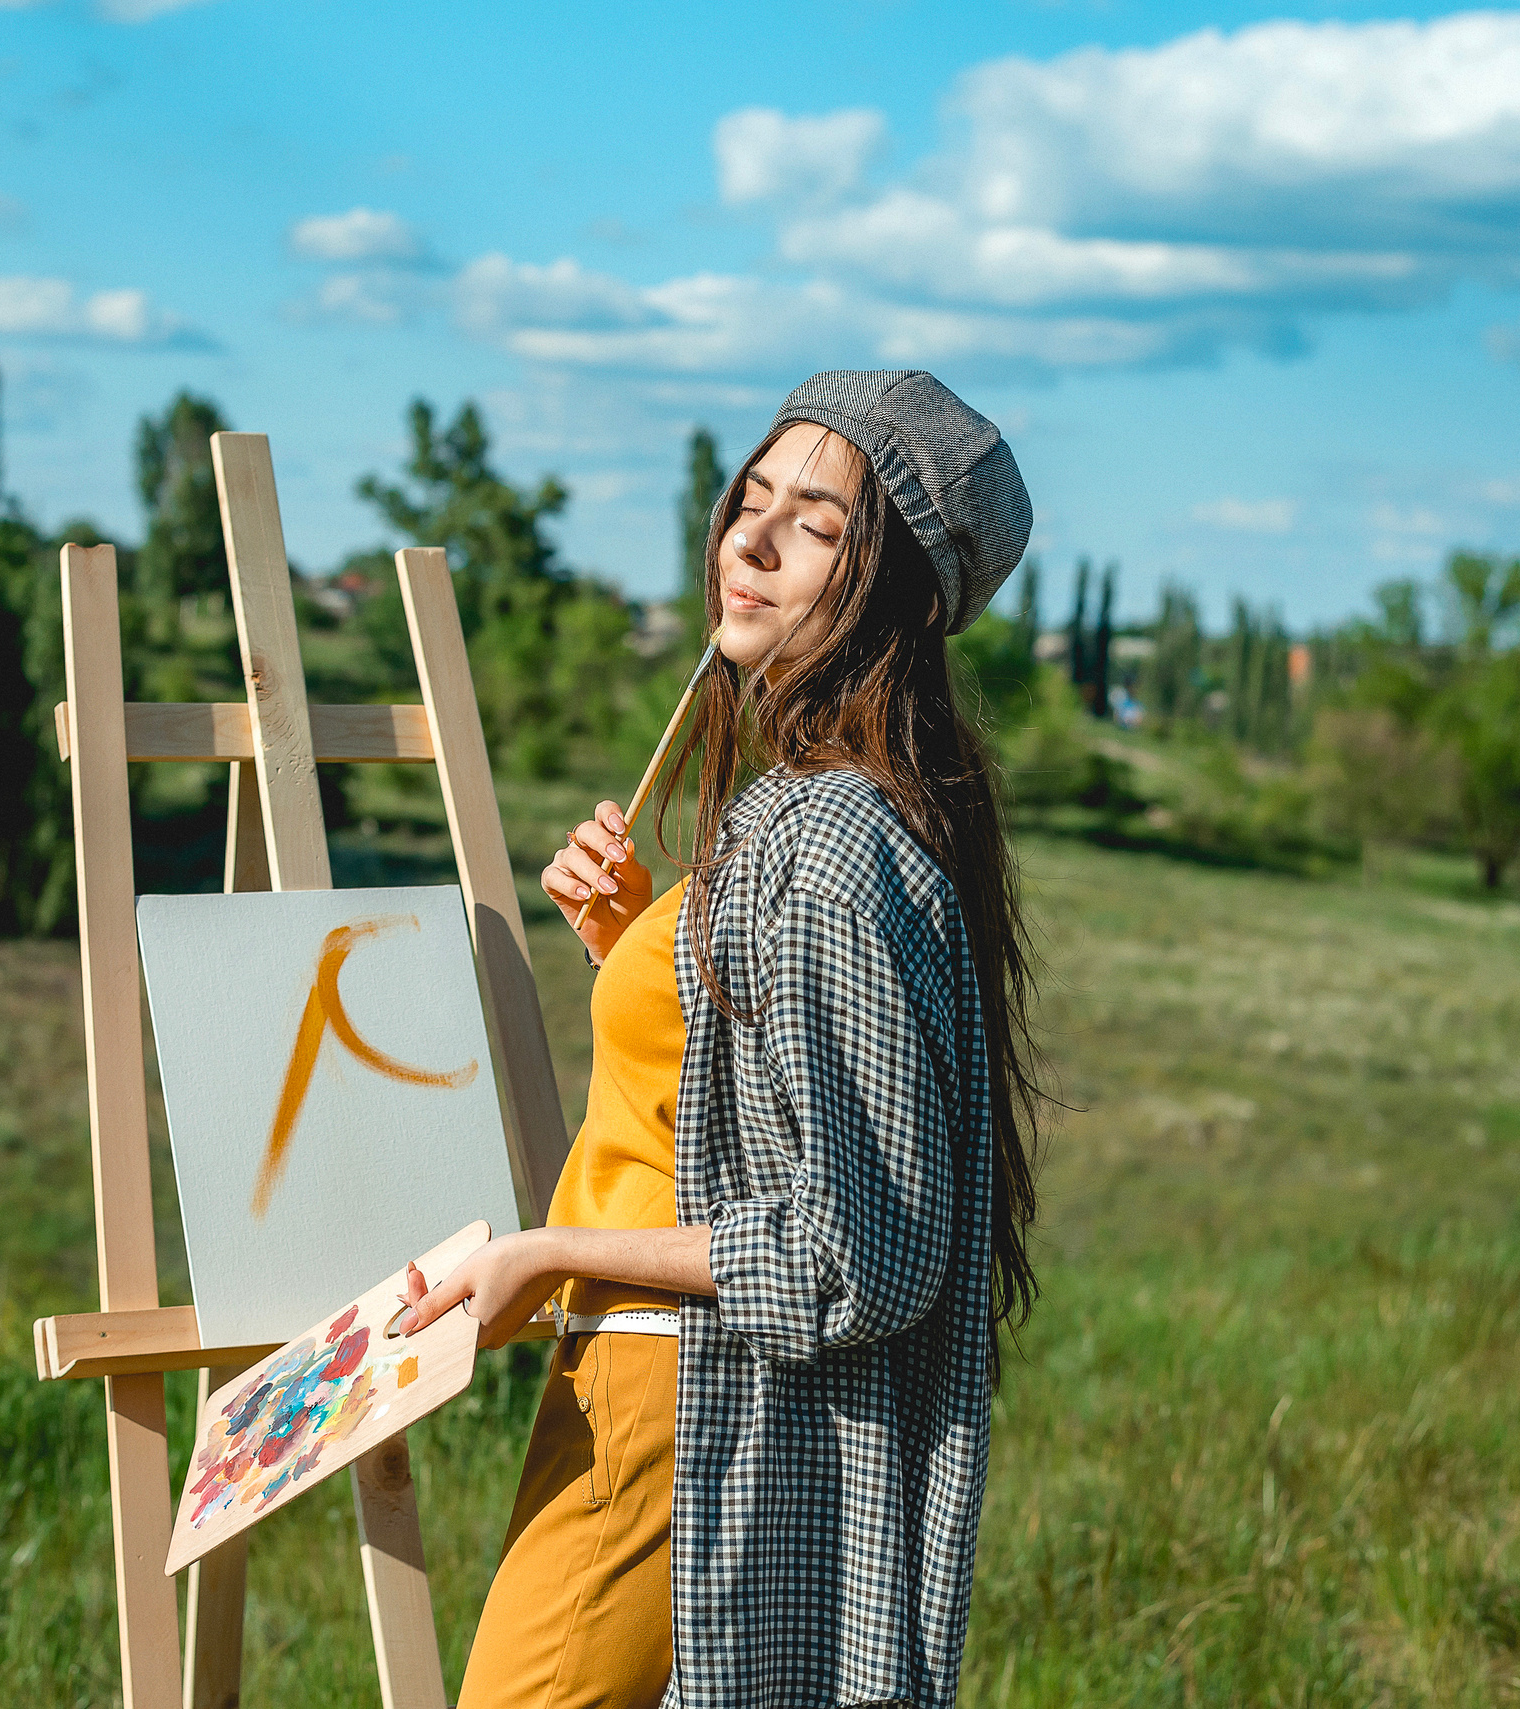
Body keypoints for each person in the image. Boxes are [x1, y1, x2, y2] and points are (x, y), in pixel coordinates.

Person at [399, 369, 1046, 1709]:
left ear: (903, 586)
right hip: (648, 1376)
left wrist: (549, 1250)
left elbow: (854, 1247)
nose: (746, 541)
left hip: (676, 1392)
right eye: (749, 501)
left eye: (813, 523)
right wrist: (642, 939)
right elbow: (755, 1097)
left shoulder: (826, 841)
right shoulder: (812, 815)